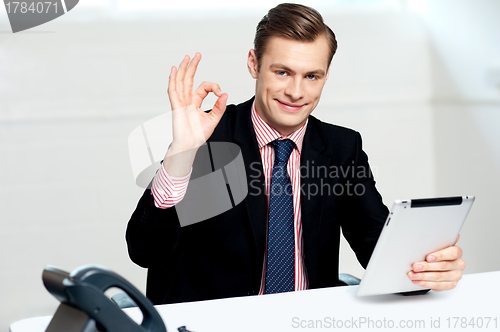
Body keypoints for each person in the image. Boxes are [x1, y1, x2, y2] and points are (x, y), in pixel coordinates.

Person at [126, 3, 465, 305]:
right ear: (254, 64)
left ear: (326, 76)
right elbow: (145, 251)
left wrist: (426, 271)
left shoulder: (340, 149)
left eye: (312, 76)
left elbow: (376, 246)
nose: (296, 92)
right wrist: (182, 154)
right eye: (283, 72)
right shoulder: (208, 137)